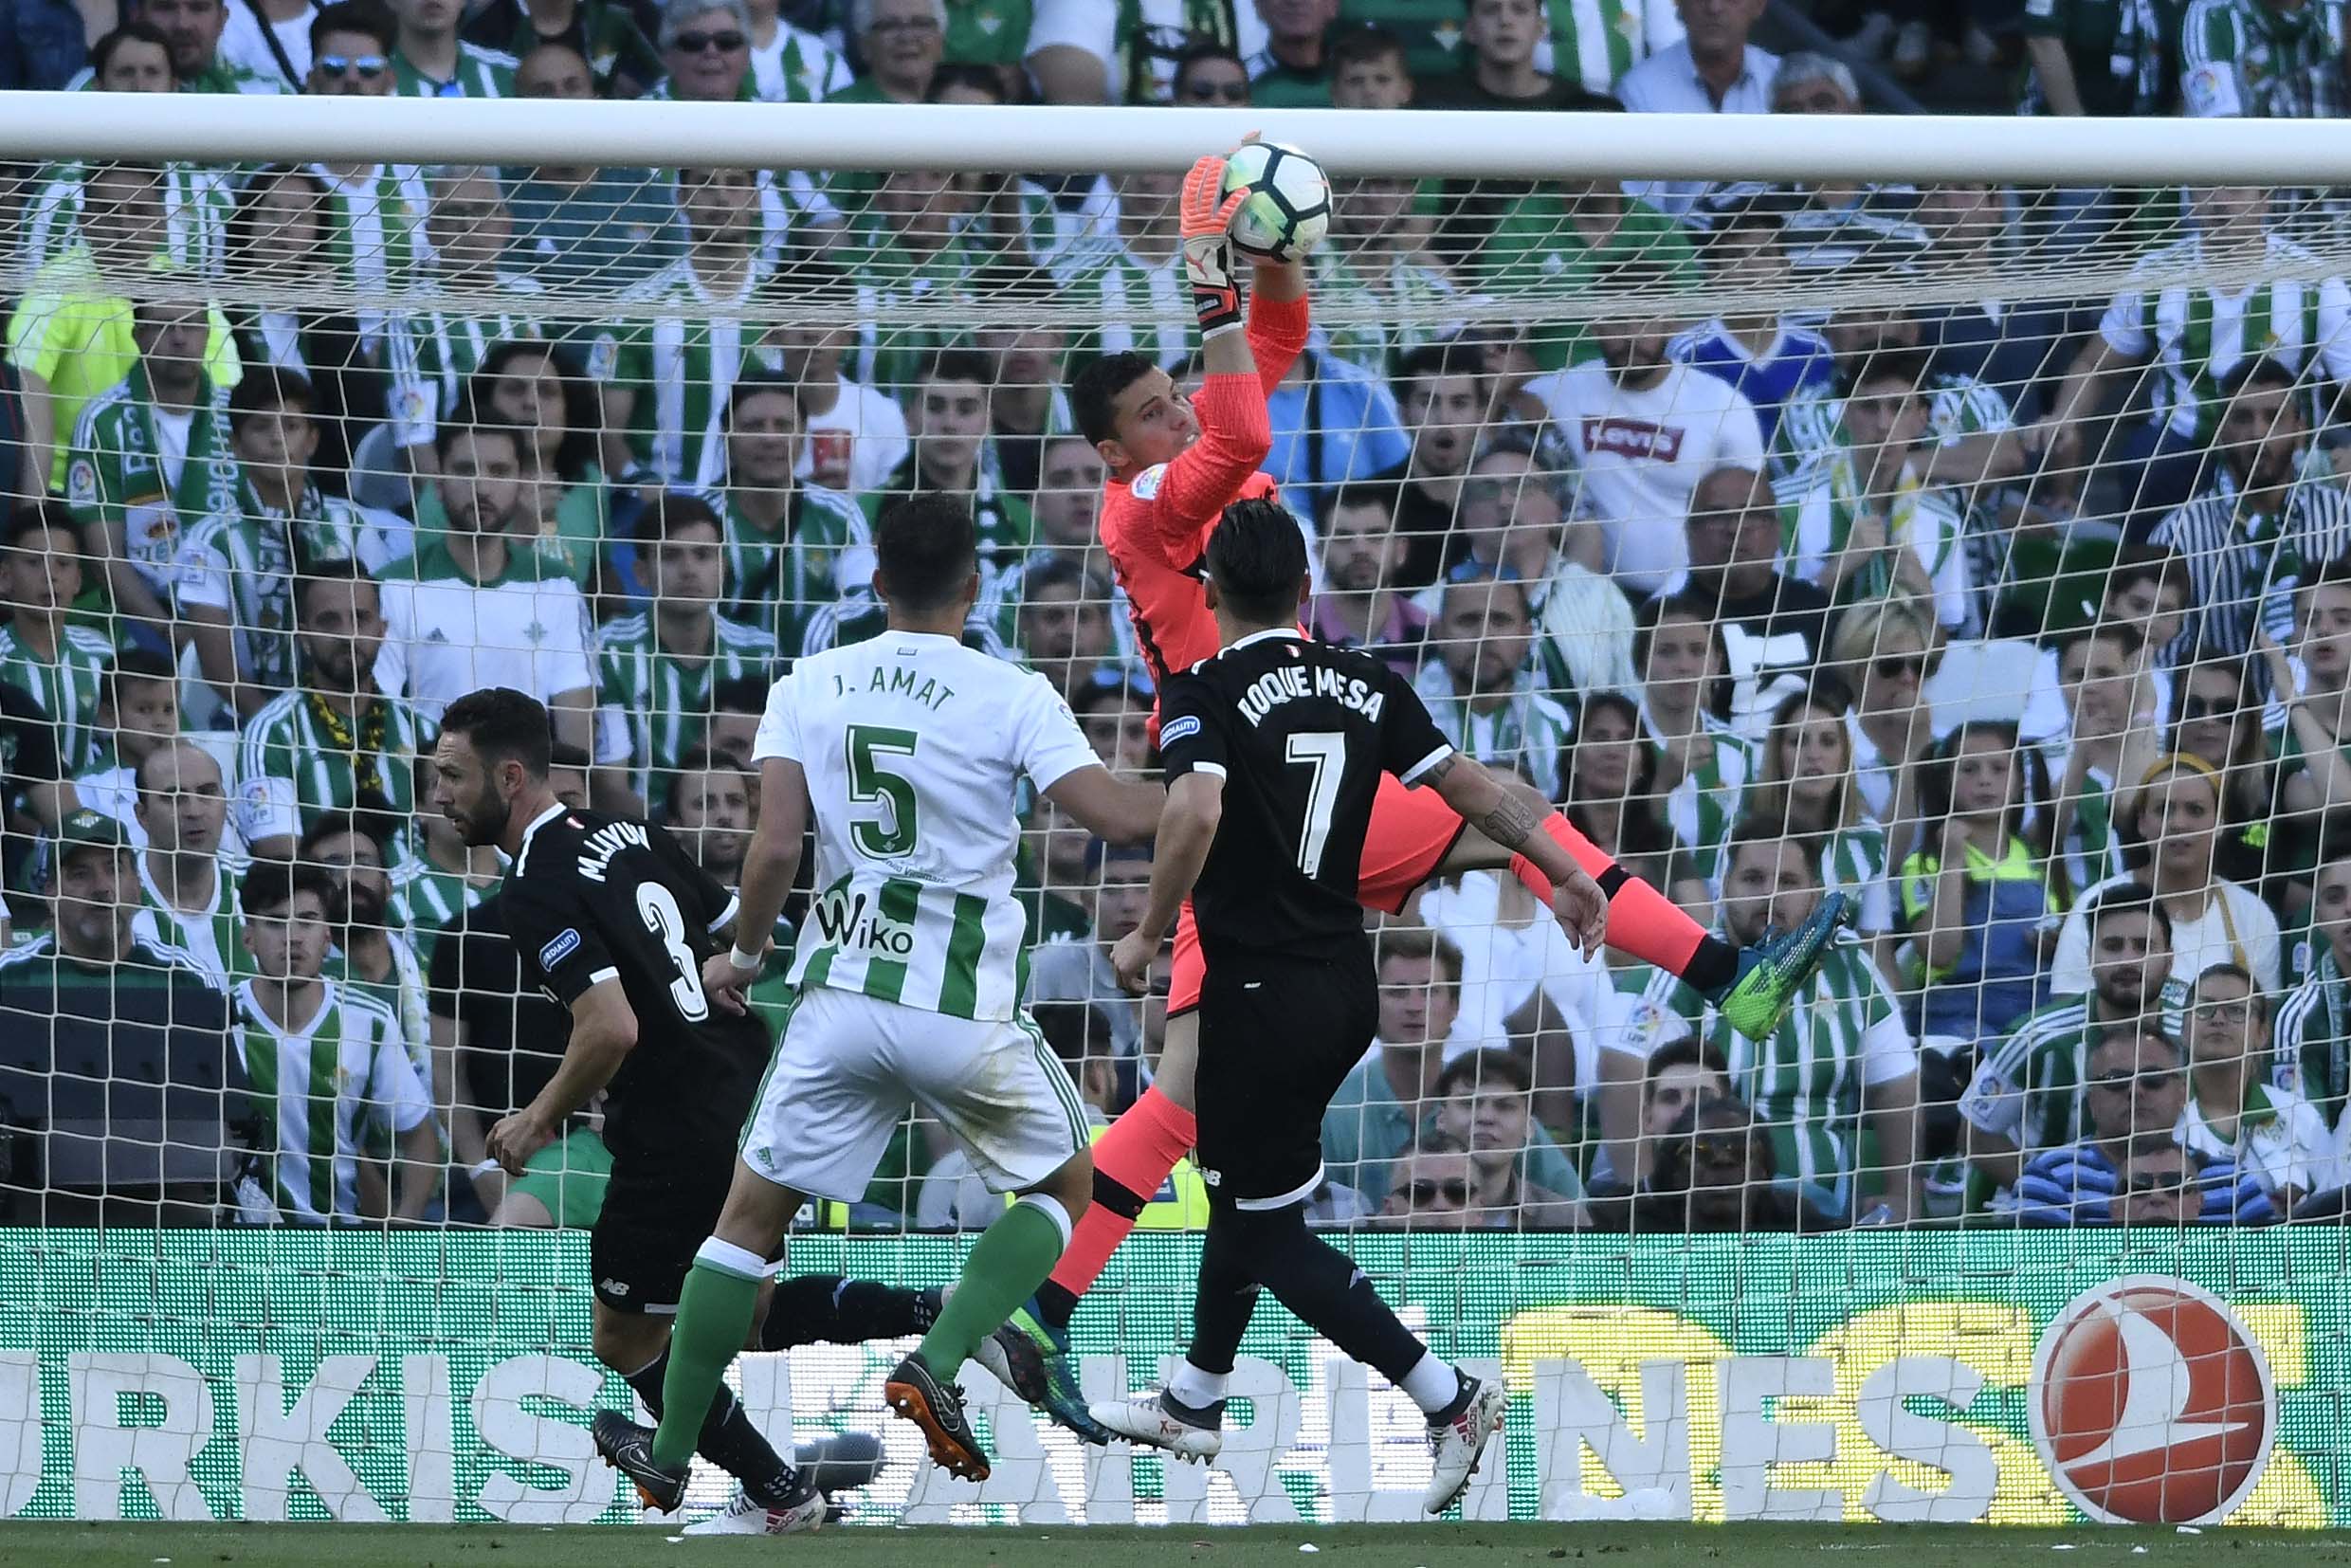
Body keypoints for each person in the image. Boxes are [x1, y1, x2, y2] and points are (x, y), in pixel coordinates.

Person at [1024, 146, 1847, 1441]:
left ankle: (1132, 1359)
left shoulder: (1208, 465)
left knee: (1200, 1094)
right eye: (1145, 414)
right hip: (1240, 799)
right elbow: (1240, 416)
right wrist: (1203, 252)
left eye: (1170, 400)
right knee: (1200, 1087)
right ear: (1106, 448)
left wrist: (1274, 247)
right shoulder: (1149, 508)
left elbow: (1275, 343)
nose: (1173, 419)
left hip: (1286, 795)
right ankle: (1086, 1334)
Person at [586, 494, 1167, 1501]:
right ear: (974, 589)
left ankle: (672, 1453)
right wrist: (1206, 789)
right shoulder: (1013, 690)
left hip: (838, 998)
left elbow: (773, 848)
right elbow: (1114, 819)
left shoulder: (811, 680)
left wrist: (746, 952)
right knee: (1065, 1192)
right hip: (960, 1011)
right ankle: (934, 1362)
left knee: (743, 1225)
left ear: (876, 582)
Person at [1089, 497, 1585, 1507]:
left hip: (1255, 988)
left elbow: (1191, 806)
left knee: (1264, 1228)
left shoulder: (1203, 687)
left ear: (1211, 593)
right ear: (1305, 590)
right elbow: (1472, 789)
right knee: (1246, 1195)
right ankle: (1194, 1396)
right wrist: (1561, 867)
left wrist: (1147, 931)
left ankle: (1446, 1396)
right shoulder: (1367, 681)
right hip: (1340, 984)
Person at [428, 685, 822, 1532]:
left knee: (624, 1337)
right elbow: (737, 928)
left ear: (510, 776)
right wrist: (728, 974)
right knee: (743, 1313)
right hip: (744, 1088)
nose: (439, 796)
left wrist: (533, 1119)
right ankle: (936, 1320)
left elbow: (610, 1027)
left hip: (668, 1124)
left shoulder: (529, 889)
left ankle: (774, 1490)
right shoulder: (631, 828)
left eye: (452, 776)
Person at [1617, 825, 1918, 1222]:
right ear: (1725, 887)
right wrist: (1647, 1201)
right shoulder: (1681, 959)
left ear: (1814, 894)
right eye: (1753, 879)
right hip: (1699, 1211)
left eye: (1787, 881)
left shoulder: (1851, 967)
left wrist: (1901, 1192)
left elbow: (1897, 1086)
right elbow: (1624, 1073)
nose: (1770, 894)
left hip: (1819, 1216)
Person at [234, 860, 439, 1221]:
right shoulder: (219, 1019)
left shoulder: (369, 1021)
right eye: (275, 922)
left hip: (342, 1244)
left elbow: (419, 1135)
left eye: (307, 920)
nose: (293, 936)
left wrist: (406, 1224)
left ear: (328, 935)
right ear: (247, 936)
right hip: (244, 1246)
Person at [373, 419, 595, 752]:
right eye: (465, 470)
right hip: (432, 791)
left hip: (527, 792)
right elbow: (381, 714)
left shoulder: (557, 585)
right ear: (438, 484)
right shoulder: (393, 585)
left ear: (521, 483)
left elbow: (575, 717)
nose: (481, 488)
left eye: (498, 471)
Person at [1526, 290, 1767, 597]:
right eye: (1617, 322)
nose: (1631, 337)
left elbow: (1751, 507)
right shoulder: (1558, 393)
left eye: (1644, 320)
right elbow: (1505, 398)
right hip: (1594, 598)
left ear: (1670, 323)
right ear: (1593, 325)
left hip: (1691, 598)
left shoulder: (1722, 405)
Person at [1960, 881, 2174, 1200]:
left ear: (2169, 960)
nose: (2129, 961)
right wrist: (2051, 1195)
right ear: (2090, 957)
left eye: (2144, 946)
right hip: (2054, 1223)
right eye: (2113, 946)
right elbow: (1974, 1135)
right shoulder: (2036, 1036)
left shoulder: (2193, 1034)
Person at [176, 366, 369, 719]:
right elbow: (218, 667)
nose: (277, 439)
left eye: (291, 426)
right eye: (261, 427)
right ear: (235, 445)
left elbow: (379, 631)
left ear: (312, 439)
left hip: (352, 714)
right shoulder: (208, 540)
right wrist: (277, 729)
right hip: (248, 719)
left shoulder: (352, 523)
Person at [65, 297, 244, 648]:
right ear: (139, 336)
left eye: (191, 325)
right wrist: (169, 631)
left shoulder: (239, 416)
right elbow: (106, 560)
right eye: (164, 325)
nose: (179, 338)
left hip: (237, 613)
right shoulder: (102, 420)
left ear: (208, 334)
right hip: (146, 619)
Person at [2150, 357, 2351, 665]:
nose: (2258, 434)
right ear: (2220, 431)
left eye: (2273, 418)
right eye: (2242, 418)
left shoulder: (2344, 517)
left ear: (2300, 430)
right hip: (2217, 709)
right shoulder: (2177, 536)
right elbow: (2163, 662)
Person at [592, 492, 773, 811]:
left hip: (739, 837)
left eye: (703, 555)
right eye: (671, 556)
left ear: (723, 568)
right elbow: (610, 784)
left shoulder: (760, 653)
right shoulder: (610, 650)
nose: (689, 570)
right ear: (641, 573)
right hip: (645, 836)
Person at [2053, 754, 2283, 994]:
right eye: (2164, 810)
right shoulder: (2096, 903)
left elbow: (2262, 1021)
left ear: (2220, 823)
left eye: (2195, 810)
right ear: (2141, 822)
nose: (2178, 824)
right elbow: (2068, 1007)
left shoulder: (2252, 914)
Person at [235, 562, 419, 862]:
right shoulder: (271, 734)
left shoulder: (422, 729)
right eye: (329, 621)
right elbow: (282, 862)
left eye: (361, 618)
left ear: (382, 631)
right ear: (304, 638)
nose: (348, 635)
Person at [2012, 1025, 2273, 1225]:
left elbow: (2268, 1285)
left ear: (2182, 1094)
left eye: (2153, 1079)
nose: (2135, 1091)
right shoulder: (2049, 1177)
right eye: (2116, 1080)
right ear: (2092, 1100)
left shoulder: (2232, 1183)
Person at [704, 377, 873, 651]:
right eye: (753, 426)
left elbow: (860, 608)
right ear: (726, 435)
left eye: (783, 426)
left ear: (804, 435)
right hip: (726, 685)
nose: (770, 438)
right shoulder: (703, 517)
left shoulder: (840, 516)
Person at [1669, 465, 1836, 732]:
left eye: (1752, 515)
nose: (1735, 528)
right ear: (1690, 531)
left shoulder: (1817, 608)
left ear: (1776, 530)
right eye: (1718, 515)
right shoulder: (1667, 622)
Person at [2179, 962, 2339, 1208]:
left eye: (2236, 1010)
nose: (2218, 1019)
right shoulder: (2158, 1113)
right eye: (2204, 1008)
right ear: (2184, 1029)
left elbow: (2333, 1208)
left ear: (2262, 1034)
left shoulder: (2301, 1117)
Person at [0, 506, 117, 775]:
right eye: (33, 562)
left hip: (92, 806)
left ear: (77, 580)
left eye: (62, 564)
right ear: (5, 577)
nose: (50, 575)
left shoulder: (102, 654)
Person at [129, 740, 243, 987]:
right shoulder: (116, 900)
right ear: (142, 816)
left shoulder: (258, 888)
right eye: (173, 797)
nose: (194, 811)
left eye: (206, 793)